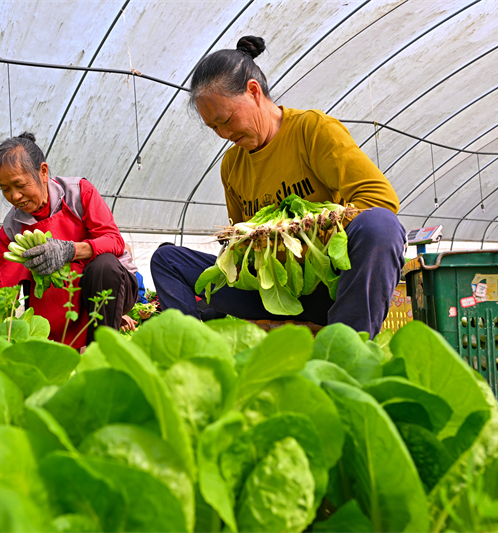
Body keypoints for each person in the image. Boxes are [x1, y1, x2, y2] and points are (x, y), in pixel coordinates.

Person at [151, 36, 406, 338]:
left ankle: (345, 343)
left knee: (380, 225)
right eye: (214, 128)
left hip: (327, 286)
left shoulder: (313, 131)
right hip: (273, 292)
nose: (223, 134)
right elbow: (239, 244)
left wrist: (305, 235)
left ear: (254, 92)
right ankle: (190, 349)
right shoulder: (232, 164)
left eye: (226, 120)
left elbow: (380, 198)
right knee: (167, 260)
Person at [0, 132, 138, 349]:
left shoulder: (78, 193)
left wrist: (69, 250)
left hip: (111, 287)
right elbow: (7, 287)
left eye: (19, 185)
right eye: (6, 189)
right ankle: (58, 348)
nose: (15, 196)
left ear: (43, 172)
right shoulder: (12, 227)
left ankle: (101, 352)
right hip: (57, 303)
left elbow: (114, 241)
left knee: (104, 265)